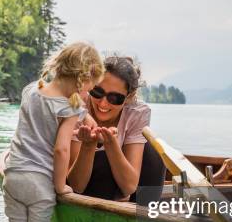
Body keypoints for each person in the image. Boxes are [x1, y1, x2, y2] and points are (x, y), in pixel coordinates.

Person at [3, 42, 104, 222]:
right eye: (91, 88)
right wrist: (60, 186)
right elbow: (61, 150)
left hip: (13, 174)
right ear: (83, 79)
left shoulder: (30, 91)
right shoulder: (69, 108)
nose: (89, 94)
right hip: (39, 182)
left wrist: (87, 118)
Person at [68, 55, 165, 203]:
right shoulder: (77, 108)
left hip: (121, 185)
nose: (103, 103)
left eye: (114, 98)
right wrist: (88, 145)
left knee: (154, 152)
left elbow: (130, 187)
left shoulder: (138, 112)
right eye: (97, 92)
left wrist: (111, 145)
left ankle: (142, 218)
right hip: (83, 188)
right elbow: (76, 185)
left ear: (129, 96)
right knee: (102, 160)